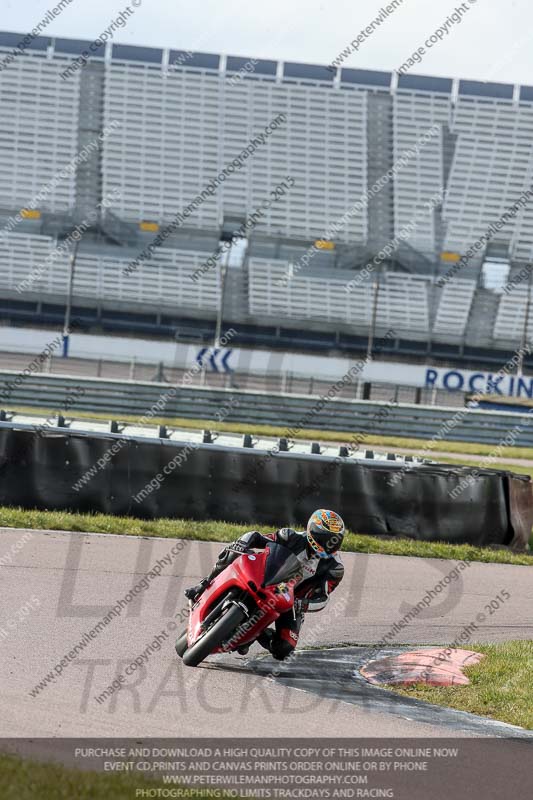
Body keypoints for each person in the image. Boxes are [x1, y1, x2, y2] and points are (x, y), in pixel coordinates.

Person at [184, 509, 345, 660]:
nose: (328, 544)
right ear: (312, 531)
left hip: (291, 600)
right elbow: (256, 537)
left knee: (284, 649)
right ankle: (203, 584)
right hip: (263, 575)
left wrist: (302, 604)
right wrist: (243, 544)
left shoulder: (335, 568)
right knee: (232, 553)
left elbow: (323, 598)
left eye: (334, 541)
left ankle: (257, 633)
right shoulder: (290, 536)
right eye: (324, 538)